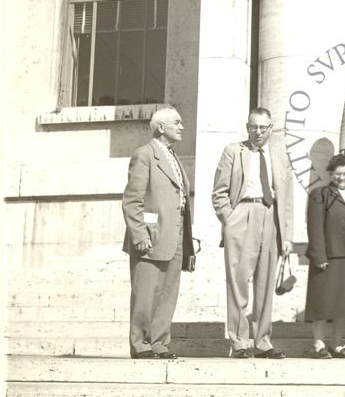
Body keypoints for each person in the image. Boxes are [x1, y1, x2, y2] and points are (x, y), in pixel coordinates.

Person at [211, 108, 294, 359]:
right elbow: (219, 192)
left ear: (271, 129)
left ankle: (263, 342)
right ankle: (239, 342)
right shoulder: (233, 151)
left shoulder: (280, 155)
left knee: (266, 282)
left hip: (271, 216)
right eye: (253, 127)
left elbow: (287, 197)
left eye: (263, 127)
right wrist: (230, 218)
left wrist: (287, 234)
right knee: (238, 282)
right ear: (247, 127)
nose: (258, 132)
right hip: (243, 214)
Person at [122, 106, 195, 359]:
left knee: (167, 293)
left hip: (175, 236)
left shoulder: (173, 157)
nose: (182, 126)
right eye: (178, 122)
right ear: (161, 127)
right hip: (150, 237)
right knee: (145, 293)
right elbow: (133, 200)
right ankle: (141, 344)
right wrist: (140, 235)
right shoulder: (145, 155)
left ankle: (160, 343)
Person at [304, 154, 345, 359]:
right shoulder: (319, 194)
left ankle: (336, 344)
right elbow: (314, 228)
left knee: (344, 302)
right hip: (328, 255)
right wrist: (319, 255)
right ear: (331, 174)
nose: (342, 178)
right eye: (338, 174)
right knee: (322, 300)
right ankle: (318, 344)